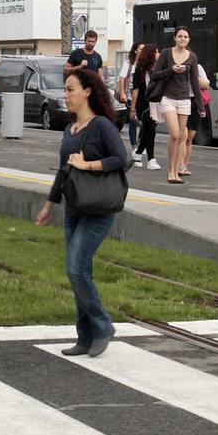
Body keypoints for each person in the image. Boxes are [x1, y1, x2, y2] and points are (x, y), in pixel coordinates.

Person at [36, 68, 128, 359]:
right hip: (74, 208)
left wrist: (88, 165)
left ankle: (102, 327)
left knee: (75, 268)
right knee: (80, 273)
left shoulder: (101, 125)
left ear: (88, 91)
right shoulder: (69, 129)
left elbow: (121, 160)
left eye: (70, 89)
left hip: (98, 209)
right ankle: (85, 336)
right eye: (65, 89)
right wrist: (49, 205)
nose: (66, 95)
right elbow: (63, 172)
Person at [151, 27, 205, 183]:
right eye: (180, 36)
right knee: (174, 134)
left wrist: (200, 105)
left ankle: (176, 172)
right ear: (175, 38)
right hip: (168, 98)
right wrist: (171, 70)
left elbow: (195, 82)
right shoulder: (166, 53)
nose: (182, 39)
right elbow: (155, 75)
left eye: (185, 36)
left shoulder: (192, 57)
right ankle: (170, 171)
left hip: (184, 99)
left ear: (189, 39)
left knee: (182, 136)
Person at [128, 42, 161, 171]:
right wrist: (133, 108)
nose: (158, 54)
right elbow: (135, 90)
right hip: (144, 104)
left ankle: (138, 153)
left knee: (148, 130)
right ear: (150, 54)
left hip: (156, 102)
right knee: (151, 130)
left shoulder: (158, 68)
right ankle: (151, 159)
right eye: (156, 51)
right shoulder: (140, 69)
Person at [116, 48, 141, 152]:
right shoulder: (129, 63)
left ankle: (141, 142)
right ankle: (134, 145)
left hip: (142, 96)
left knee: (144, 121)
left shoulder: (145, 62)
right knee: (133, 120)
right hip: (130, 95)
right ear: (136, 50)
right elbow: (122, 78)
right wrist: (122, 92)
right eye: (140, 49)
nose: (142, 51)